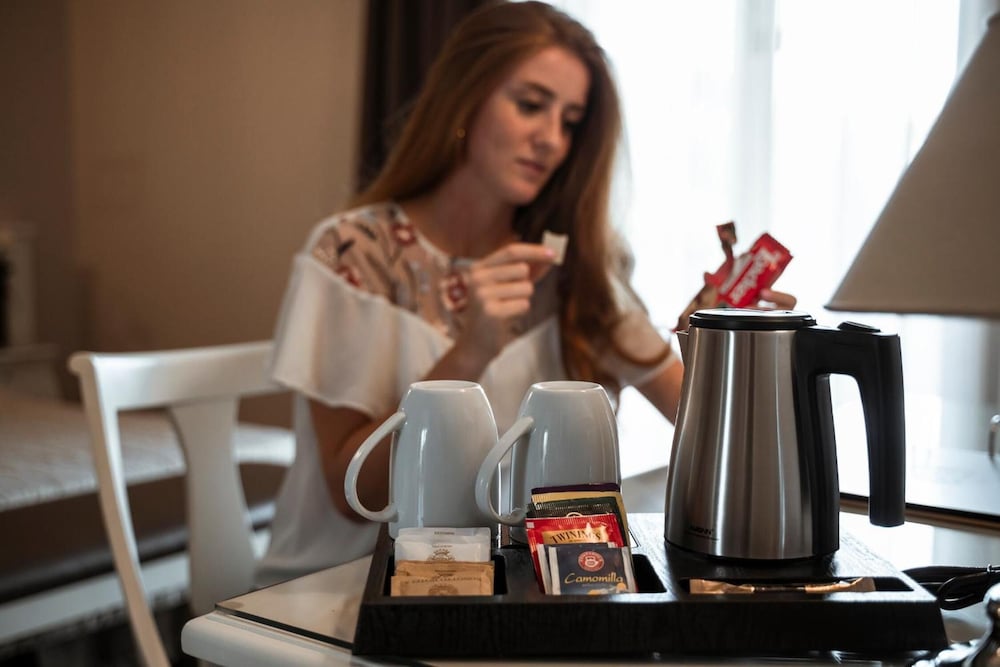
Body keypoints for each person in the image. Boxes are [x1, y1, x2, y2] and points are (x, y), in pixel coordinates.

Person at [255, 0, 795, 585]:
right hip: (338, 587)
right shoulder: (353, 253)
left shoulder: (574, 272)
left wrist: (719, 346)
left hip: (510, 594)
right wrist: (472, 350)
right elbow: (351, 495)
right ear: (464, 99)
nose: (551, 140)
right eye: (531, 105)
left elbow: (706, 429)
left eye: (570, 122)